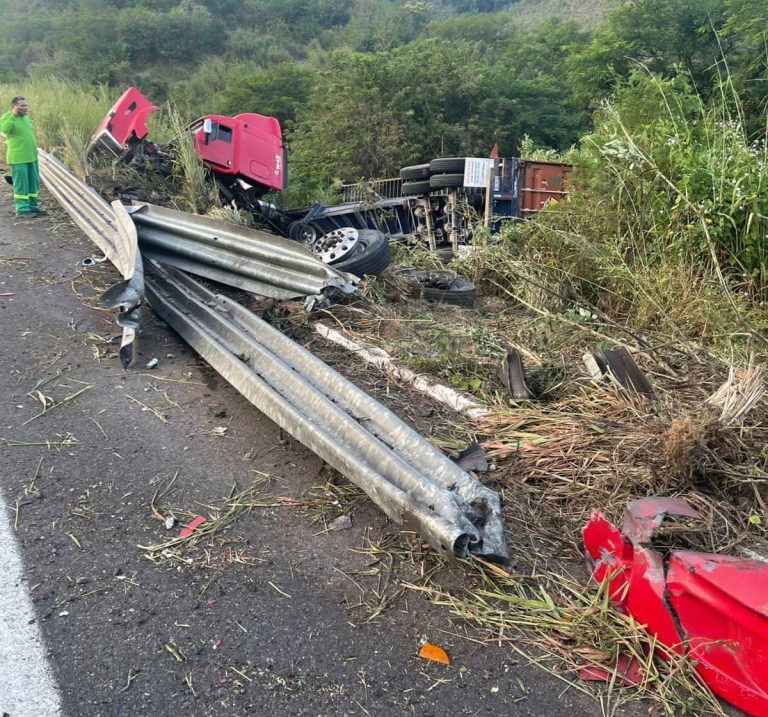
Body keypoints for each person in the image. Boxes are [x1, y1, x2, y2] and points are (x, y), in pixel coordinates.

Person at [0, 96, 47, 218]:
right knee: (21, 184)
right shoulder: (7, 117)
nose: (25, 108)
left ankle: (32, 207)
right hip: (18, 158)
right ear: (14, 106)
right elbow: (4, 129)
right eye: (21, 106)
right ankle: (22, 209)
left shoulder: (25, 118)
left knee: (33, 183)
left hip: (31, 157)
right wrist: (13, 115)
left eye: (25, 105)